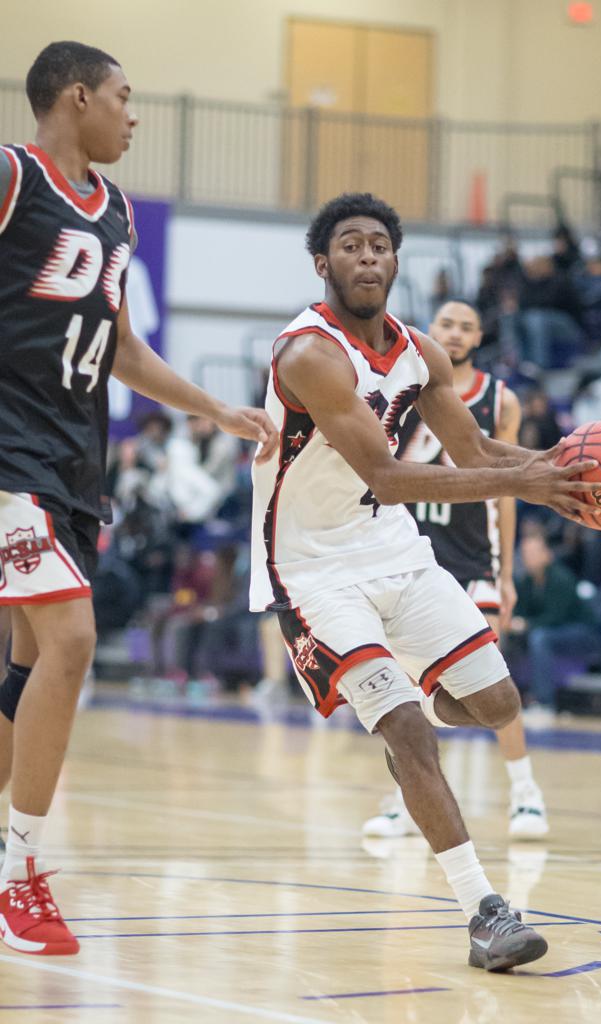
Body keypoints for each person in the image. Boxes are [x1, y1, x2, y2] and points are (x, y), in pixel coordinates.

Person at [249, 191, 601, 971]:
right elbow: (386, 471)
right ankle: (483, 910)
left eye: (380, 243)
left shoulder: (420, 352)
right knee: (407, 728)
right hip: (311, 568)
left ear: (396, 260)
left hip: (394, 551)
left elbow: (474, 452)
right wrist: (529, 486)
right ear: (323, 263)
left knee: (498, 704)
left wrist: (560, 470)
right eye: (351, 245)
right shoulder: (308, 352)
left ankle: (406, 705)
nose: (368, 256)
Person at [0, 41, 277, 956]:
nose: (133, 114)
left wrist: (214, 408)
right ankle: (20, 876)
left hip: (78, 466)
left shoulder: (113, 208)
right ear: (75, 98)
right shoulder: (10, 176)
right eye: (123, 97)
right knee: (73, 641)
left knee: (28, 666)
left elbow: (123, 351)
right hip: (11, 460)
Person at [362, 300, 549, 841]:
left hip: (473, 561)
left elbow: (507, 496)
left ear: (480, 335)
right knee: (404, 689)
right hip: (409, 558)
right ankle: (405, 798)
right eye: (447, 324)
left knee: (490, 683)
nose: (457, 333)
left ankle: (525, 793)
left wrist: (506, 571)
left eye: (468, 326)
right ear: (431, 330)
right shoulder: (399, 385)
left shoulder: (499, 399)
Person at [508, 533, 601, 726]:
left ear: (547, 554)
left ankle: (545, 704)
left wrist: (525, 624)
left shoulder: (562, 578)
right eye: (525, 553)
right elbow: (520, 613)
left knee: (540, 638)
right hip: (553, 633)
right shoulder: (525, 582)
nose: (529, 557)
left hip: (584, 634)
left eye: (534, 552)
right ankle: (511, 701)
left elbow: (556, 618)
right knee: (511, 637)